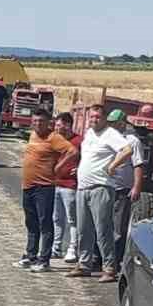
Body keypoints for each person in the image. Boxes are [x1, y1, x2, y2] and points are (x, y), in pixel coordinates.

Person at [67, 104, 124, 282]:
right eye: (92, 117)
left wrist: (113, 165)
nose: (94, 120)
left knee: (103, 230)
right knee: (84, 229)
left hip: (101, 187)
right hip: (83, 187)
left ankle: (109, 268)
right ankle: (84, 264)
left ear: (105, 118)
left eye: (97, 117)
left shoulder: (111, 134)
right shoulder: (90, 133)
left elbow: (126, 150)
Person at [16, 111, 74, 272]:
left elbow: (72, 151)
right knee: (31, 222)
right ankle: (30, 255)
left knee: (45, 223)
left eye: (41, 121)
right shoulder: (33, 135)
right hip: (28, 186)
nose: (37, 124)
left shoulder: (54, 137)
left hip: (44, 186)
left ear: (49, 122)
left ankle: (44, 259)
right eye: (35, 121)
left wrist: (59, 167)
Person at [105, 110, 147, 272]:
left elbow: (138, 165)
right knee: (103, 224)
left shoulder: (133, 141)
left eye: (114, 123)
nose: (111, 126)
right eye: (109, 123)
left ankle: (115, 261)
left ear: (122, 123)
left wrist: (136, 187)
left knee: (118, 227)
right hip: (106, 186)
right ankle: (101, 258)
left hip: (122, 189)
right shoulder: (108, 138)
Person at [51, 111, 81, 263]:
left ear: (68, 125)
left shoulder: (78, 141)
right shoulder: (55, 140)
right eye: (55, 125)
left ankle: (72, 248)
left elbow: (87, 158)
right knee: (56, 218)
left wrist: (80, 168)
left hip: (70, 185)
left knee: (72, 219)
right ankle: (56, 248)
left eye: (59, 125)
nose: (56, 127)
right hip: (55, 183)